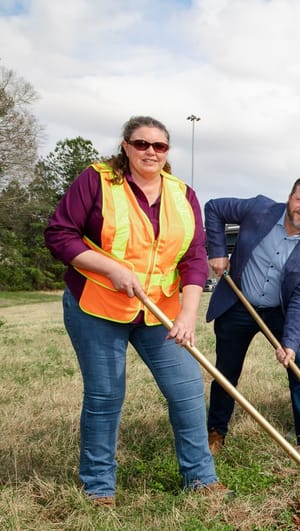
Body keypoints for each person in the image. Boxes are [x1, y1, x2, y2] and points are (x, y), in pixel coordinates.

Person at [44, 115, 227, 506]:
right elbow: (60, 234)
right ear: (125, 146)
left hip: (158, 310)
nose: (150, 152)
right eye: (142, 144)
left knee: (188, 390)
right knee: (106, 395)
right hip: (97, 304)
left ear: (167, 152)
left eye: (159, 146)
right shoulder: (96, 180)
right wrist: (111, 268)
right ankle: (98, 485)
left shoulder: (183, 193)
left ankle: (200, 477)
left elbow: (194, 256)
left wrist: (188, 313)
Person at [205, 178, 300, 459]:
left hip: (279, 311)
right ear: (290, 198)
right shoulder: (259, 209)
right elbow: (213, 207)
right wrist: (217, 252)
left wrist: (288, 342)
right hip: (239, 303)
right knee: (226, 370)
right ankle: (216, 431)